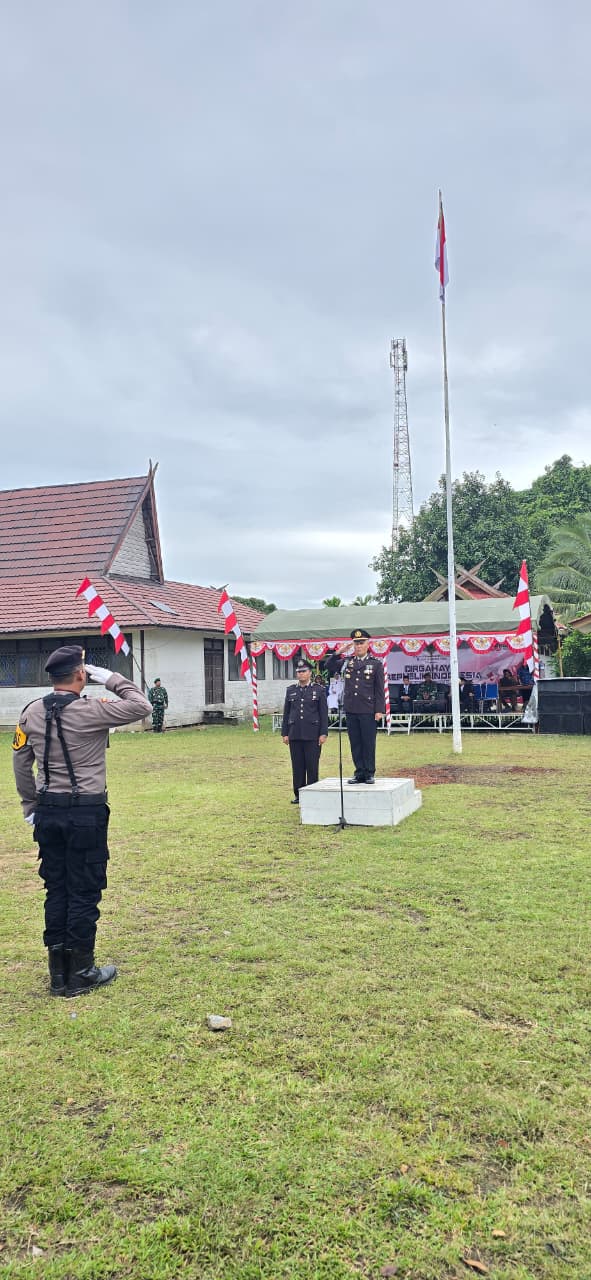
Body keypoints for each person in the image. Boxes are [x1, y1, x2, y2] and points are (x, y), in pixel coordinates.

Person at [12, 645, 152, 998]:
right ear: (80, 675)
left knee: (56, 888)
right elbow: (142, 705)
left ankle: (58, 973)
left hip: (47, 811)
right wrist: (111, 677)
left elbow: (20, 763)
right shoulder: (90, 711)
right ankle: (82, 971)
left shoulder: (30, 712)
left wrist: (30, 804)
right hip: (85, 812)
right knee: (84, 889)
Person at [281, 659, 328, 804]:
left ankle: (312, 793)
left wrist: (323, 733)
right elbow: (287, 712)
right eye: (299, 672)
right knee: (297, 766)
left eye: (304, 671)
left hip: (312, 734)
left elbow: (323, 713)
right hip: (295, 733)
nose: (301, 674)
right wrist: (285, 732)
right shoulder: (291, 690)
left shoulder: (318, 690)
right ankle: (299, 794)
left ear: (310, 673)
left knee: (312, 765)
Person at [342, 629, 385, 784]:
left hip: (368, 709)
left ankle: (369, 772)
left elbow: (379, 689)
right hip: (351, 708)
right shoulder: (348, 662)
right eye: (356, 643)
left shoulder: (375, 664)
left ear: (368, 644)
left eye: (361, 643)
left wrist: (379, 710)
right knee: (355, 742)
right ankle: (359, 771)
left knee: (368, 742)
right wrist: (339, 652)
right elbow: (329, 665)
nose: (358, 646)